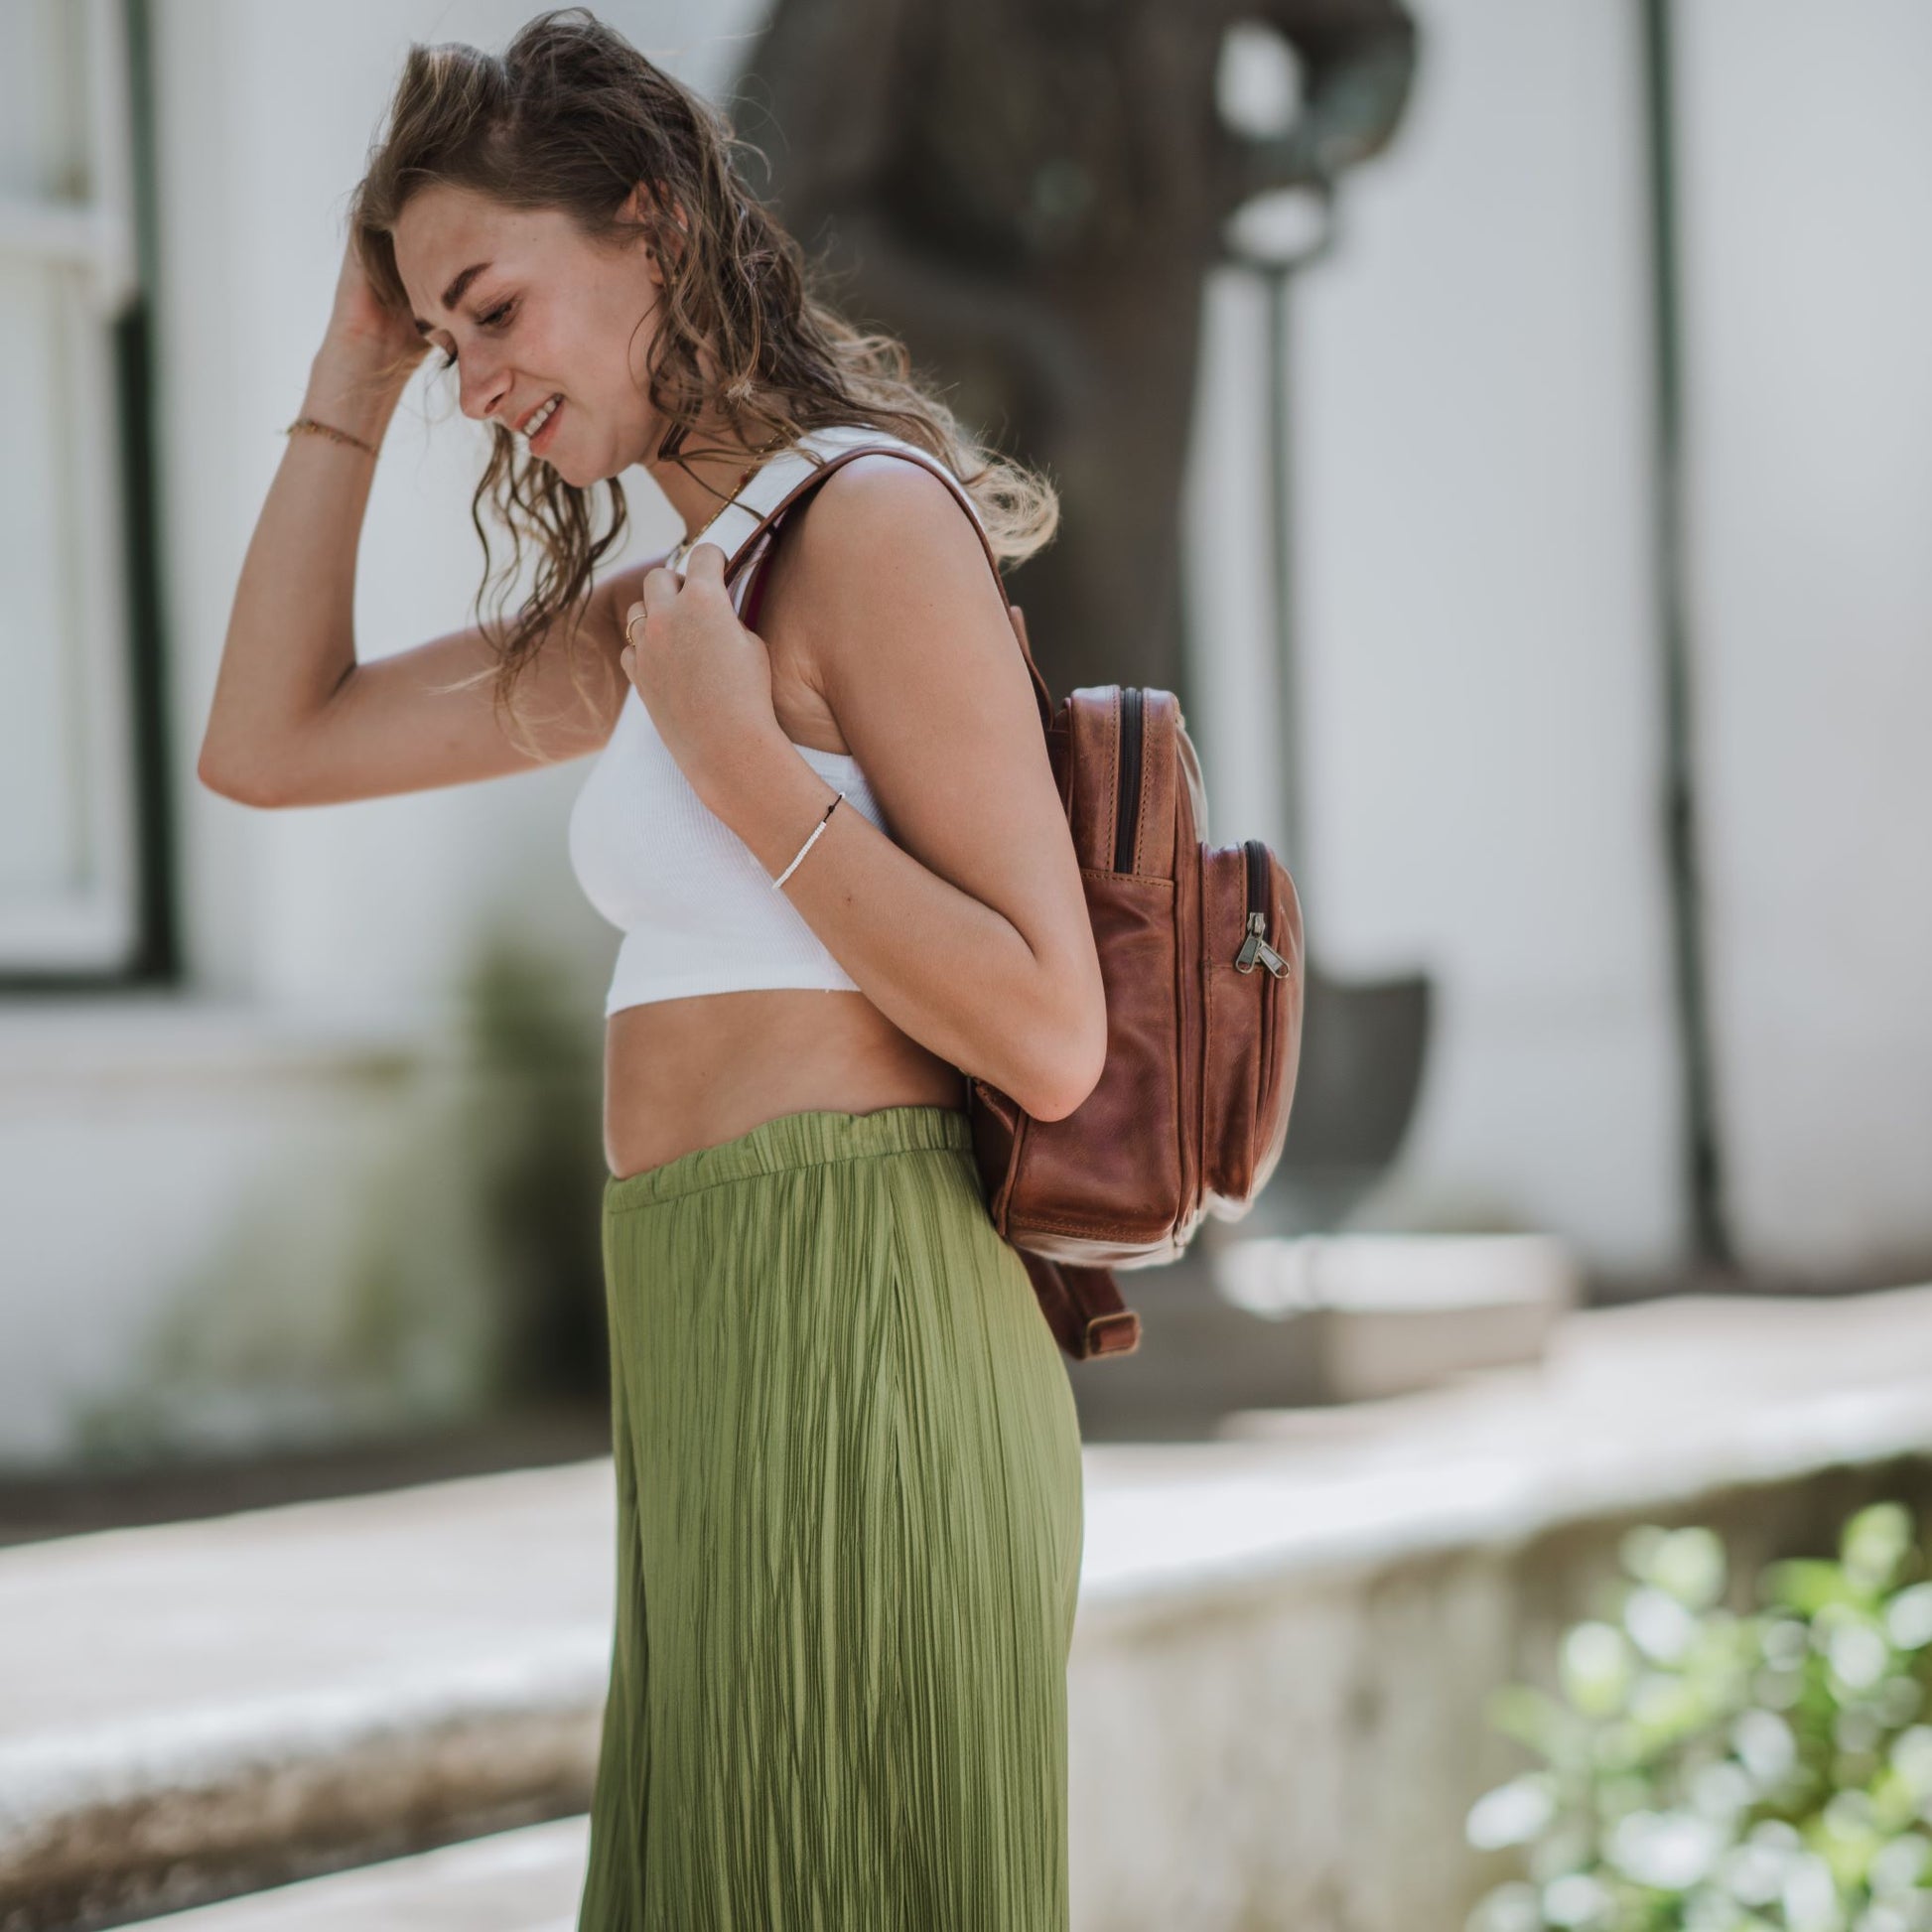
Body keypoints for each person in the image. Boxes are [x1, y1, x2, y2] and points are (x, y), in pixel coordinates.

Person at [196, 7, 1102, 1927]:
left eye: (493, 311)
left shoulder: (866, 522)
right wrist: (350, 377)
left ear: (650, 229)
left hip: (865, 1317)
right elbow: (270, 744)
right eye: (443, 337)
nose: (475, 376)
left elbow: (1046, 1025)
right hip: (711, 1323)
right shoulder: (668, 606)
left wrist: (750, 774)